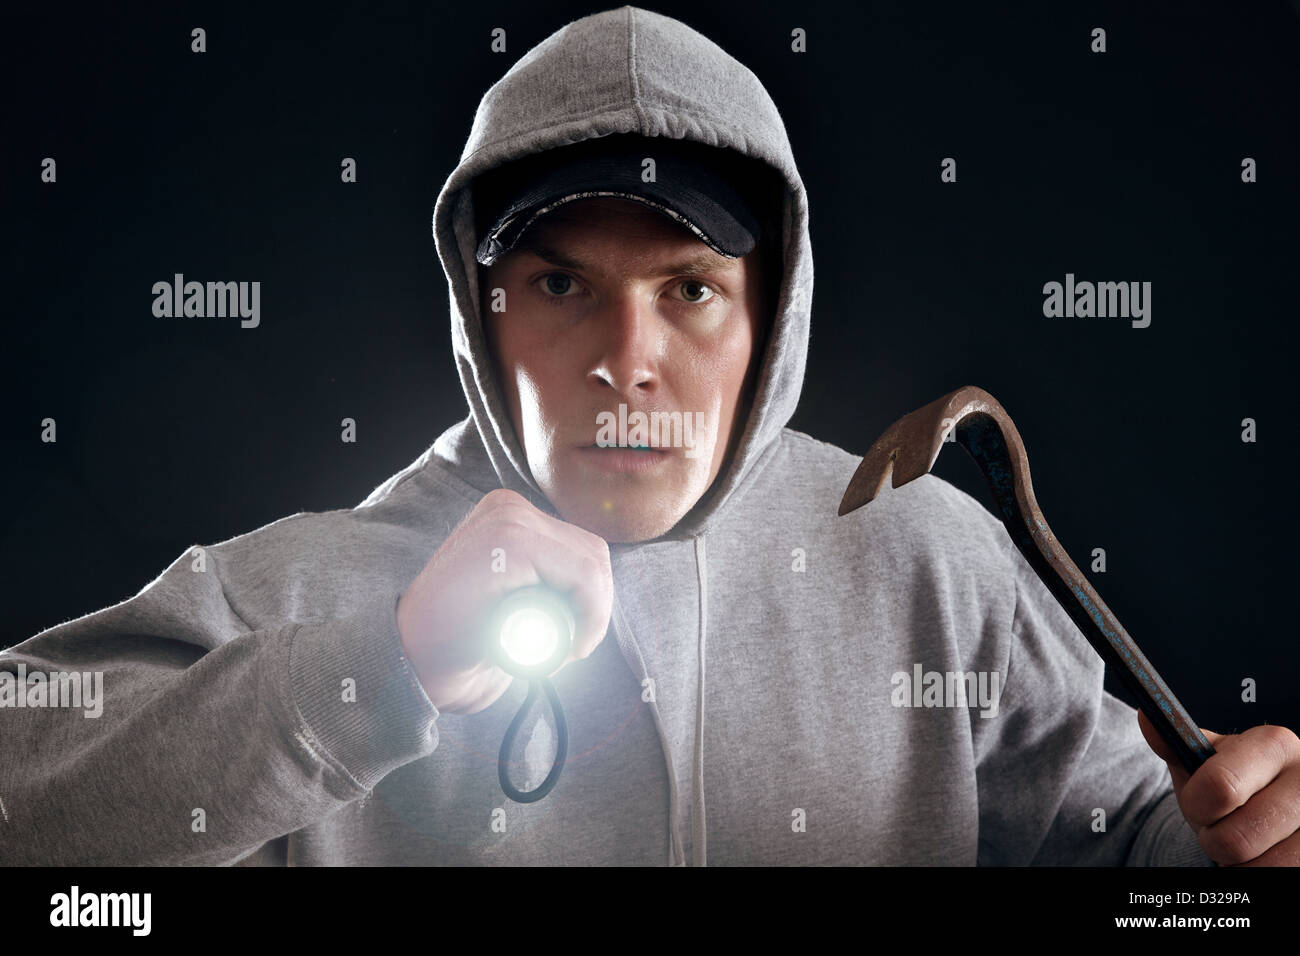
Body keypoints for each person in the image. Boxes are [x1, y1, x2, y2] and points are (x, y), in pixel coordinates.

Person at [2, 5, 1295, 867]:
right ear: (482, 311)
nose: (629, 359)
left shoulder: (933, 561)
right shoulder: (305, 589)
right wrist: (378, 669)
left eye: (688, 289)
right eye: (563, 286)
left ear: (767, 317)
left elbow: (1124, 838)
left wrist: (1230, 851)